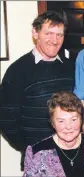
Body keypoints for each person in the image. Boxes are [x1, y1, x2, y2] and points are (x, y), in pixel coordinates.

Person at [0, 11, 75, 169]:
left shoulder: (71, 66)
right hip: (36, 159)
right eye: (49, 33)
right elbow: (5, 118)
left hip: (71, 155)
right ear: (35, 33)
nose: (54, 41)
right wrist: (28, 147)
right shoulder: (17, 71)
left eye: (59, 35)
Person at [23, 91, 84, 176]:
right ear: (52, 123)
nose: (68, 126)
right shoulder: (36, 153)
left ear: (81, 120)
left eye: (73, 120)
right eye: (61, 121)